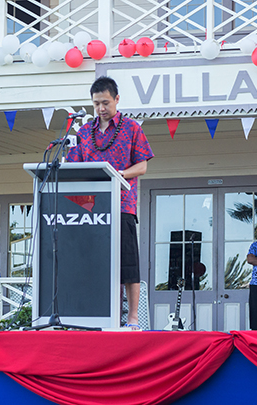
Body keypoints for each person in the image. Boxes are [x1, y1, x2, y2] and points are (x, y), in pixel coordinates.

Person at [66, 76, 154, 329]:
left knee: (128, 264)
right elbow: (75, 166)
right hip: (91, 208)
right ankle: (108, 315)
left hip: (123, 205)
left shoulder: (132, 129)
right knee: (99, 264)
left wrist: (118, 175)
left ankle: (133, 318)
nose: (101, 108)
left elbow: (143, 165)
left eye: (105, 102)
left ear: (117, 99)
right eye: (96, 104)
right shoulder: (84, 132)